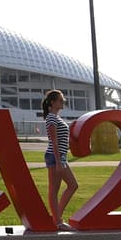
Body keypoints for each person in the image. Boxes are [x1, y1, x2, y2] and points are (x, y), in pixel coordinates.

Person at [41, 89, 78, 231]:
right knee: (55, 189)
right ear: (52, 102)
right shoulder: (51, 118)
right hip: (55, 157)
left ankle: (56, 218)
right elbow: (54, 141)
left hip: (60, 157)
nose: (63, 102)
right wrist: (58, 162)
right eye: (60, 100)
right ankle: (58, 221)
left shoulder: (56, 118)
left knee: (72, 185)